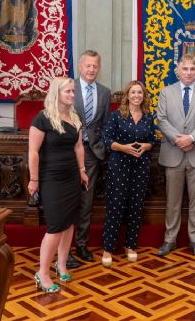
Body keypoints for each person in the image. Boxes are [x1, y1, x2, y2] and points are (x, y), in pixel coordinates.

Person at [27, 77, 89, 293]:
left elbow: (79, 147)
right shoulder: (42, 119)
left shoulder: (74, 117)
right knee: (55, 227)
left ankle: (61, 265)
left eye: (73, 91)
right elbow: (33, 152)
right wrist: (34, 179)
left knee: (69, 223)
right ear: (57, 93)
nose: (72, 95)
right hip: (51, 178)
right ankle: (42, 273)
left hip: (72, 176)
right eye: (68, 91)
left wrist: (82, 171)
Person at [156, 53, 195, 258]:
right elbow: (161, 120)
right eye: (185, 69)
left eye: (192, 69)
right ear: (177, 71)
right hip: (173, 153)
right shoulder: (166, 92)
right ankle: (169, 239)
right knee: (172, 201)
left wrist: (191, 138)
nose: (189, 73)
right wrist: (178, 139)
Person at [101, 81, 156, 267]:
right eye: (133, 92)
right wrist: (124, 148)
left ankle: (131, 245)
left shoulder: (148, 116)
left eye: (140, 92)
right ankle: (108, 248)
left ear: (143, 96)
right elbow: (107, 139)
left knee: (136, 206)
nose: (136, 96)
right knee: (115, 205)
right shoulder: (117, 115)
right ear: (127, 95)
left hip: (140, 166)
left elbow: (152, 140)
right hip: (119, 165)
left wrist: (145, 147)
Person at [68, 50, 111, 267]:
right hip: (68, 153)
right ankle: (64, 250)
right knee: (68, 201)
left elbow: (103, 124)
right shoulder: (68, 87)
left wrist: (100, 147)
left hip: (92, 153)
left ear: (99, 67)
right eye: (88, 66)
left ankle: (82, 245)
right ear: (80, 66)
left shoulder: (104, 92)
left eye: (95, 66)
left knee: (86, 202)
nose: (91, 70)